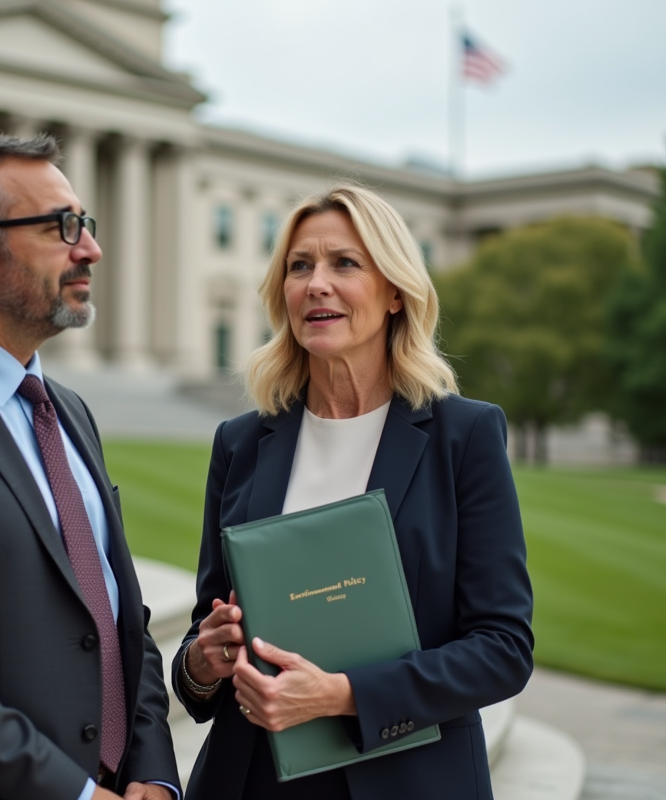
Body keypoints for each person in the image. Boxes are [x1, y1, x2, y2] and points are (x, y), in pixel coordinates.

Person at [172, 183, 534, 799]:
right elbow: (205, 634)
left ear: (395, 291)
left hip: (408, 779)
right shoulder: (240, 442)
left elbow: (502, 648)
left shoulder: (463, 435)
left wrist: (342, 696)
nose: (316, 284)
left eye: (345, 263)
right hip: (252, 778)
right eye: (299, 266)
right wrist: (202, 663)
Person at [0, 135, 181, 800]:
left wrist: (155, 774)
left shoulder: (69, 411)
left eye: (86, 224)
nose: (91, 249)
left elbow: (118, 617)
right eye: (61, 227)